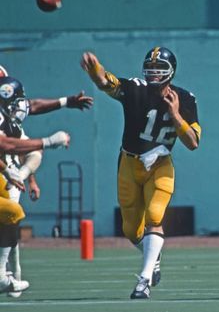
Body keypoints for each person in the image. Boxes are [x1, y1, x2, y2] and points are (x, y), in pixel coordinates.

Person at [81, 47, 201, 299]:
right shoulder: (136, 89)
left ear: (171, 72)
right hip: (129, 163)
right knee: (131, 230)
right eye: (151, 68)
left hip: (160, 164)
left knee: (155, 217)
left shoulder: (186, 98)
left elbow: (192, 142)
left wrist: (176, 114)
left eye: (160, 70)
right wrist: (95, 71)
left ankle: (143, 281)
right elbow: (107, 82)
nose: (154, 74)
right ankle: (152, 256)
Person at [0, 77, 70, 295]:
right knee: (12, 213)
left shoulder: (8, 119)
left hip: (5, 176)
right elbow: (6, 144)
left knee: (11, 216)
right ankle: (3, 276)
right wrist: (48, 141)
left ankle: (6, 275)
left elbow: (17, 146)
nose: (21, 106)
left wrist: (15, 174)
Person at [0, 64, 93, 114]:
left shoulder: (8, 106)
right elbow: (7, 144)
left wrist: (66, 101)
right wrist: (47, 142)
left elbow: (31, 106)